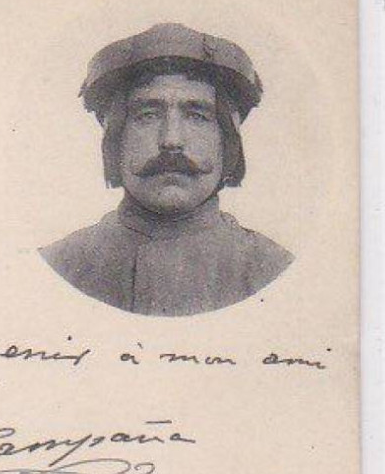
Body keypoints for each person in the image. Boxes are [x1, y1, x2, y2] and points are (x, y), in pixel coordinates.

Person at [40, 23, 293, 316]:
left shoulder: (272, 270)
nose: (171, 140)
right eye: (147, 115)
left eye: (197, 115)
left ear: (227, 139)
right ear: (115, 138)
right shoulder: (60, 266)